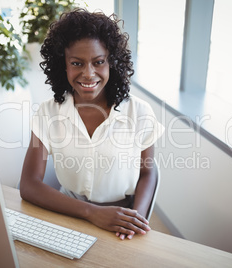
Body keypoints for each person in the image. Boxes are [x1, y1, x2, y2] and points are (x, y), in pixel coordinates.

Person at [20, 9, 164, 240]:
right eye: (77, 63)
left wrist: (136, 217)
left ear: (112, 63)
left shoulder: (139, 112)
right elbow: (29, 185)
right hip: (68, 210)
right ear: (63, 65)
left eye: (98, 62)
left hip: (121, 216)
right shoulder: (48, 113)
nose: (88, 74)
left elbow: (148, 173)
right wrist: (91, 213)